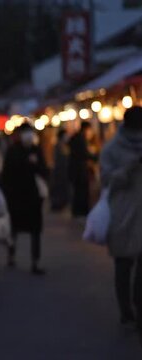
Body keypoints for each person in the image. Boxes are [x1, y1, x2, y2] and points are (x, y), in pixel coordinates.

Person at [100, 106, 142, 331]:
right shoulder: (112, 149)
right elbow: (107, 179)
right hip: (123, 212)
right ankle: (126, 310)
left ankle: (139, 306)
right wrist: (129, 167)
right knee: (124, 264)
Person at [1, 124, 49, 274]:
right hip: (16, 197)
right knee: (14, 228)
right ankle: (11, 254)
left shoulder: (36, 150)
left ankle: (35, 261)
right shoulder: (13, 151)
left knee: (35, 229)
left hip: (33, 197)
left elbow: (44, 170)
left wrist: (36, 164)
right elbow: (7, 174)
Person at [68, 121, 97, 217]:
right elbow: (83, 154)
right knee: (81, 191)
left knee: (78, 191)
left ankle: (78, 211)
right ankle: (80, 211)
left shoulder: (76, 138)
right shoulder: (80, 138)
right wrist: (95, 157)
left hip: (76, 169)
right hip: (79, 170)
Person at [50, 128, 71, 211]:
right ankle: (58, 204)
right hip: (60, 171)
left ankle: (60, 203)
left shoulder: (63, 145)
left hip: (63, 170)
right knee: (59, 188)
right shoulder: (58, 145)